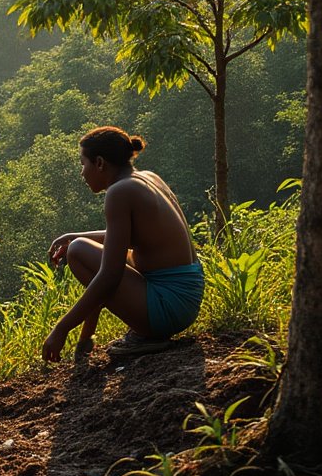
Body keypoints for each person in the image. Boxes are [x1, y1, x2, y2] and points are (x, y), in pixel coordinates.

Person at [43, 127, 203, 362]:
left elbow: (109, 274)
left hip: (169, 307)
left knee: (78, 250)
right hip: (187, 295)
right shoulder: (147, 178)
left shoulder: (119, 192)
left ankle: (149, 335)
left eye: (82, 163)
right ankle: (87, 342)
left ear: (99, 163)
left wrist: (61, 329)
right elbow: (124, 237)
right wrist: (72, 235)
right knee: (79, 246)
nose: (82, 173)